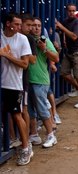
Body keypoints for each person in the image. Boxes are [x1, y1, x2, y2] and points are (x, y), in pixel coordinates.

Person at [0, 13, 33, 165]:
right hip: (2, 83)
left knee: (16, 115)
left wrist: (6, 56)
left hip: (13, 84)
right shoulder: (1, 36)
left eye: (21, 24)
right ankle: (11, 140)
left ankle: (26, 148)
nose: (20, 27)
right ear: (8, 24)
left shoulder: (22, 39)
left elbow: (25, 64)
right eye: (17, 24)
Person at [28, 18, 59, 148]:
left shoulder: (44, 40)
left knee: (41, 109)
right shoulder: (27, 39)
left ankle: (51, 135)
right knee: (30, 111)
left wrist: (44, 48)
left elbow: (56, 58)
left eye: (39, 26)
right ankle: (34, 135)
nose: (36, 28)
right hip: (27, 80)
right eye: (34, 25)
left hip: (40, 80)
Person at [56, 3, 78, 108]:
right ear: (67, 11)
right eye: (69, 11)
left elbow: (74, 36)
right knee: (64, 72)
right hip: (70, 51)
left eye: (73, 11)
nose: (71, 13)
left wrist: (61, 27)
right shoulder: (66, 21)